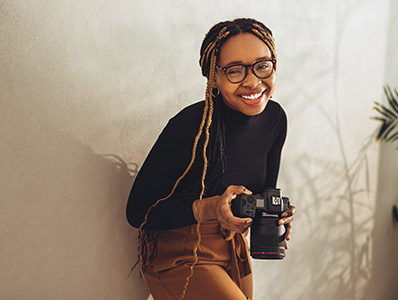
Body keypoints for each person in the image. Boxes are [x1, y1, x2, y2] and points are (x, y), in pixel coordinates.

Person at [126, 18, 296, 300]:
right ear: (213, 76)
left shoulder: (275, 119)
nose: (253, 81)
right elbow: (138, 212)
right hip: (181, 256)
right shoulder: (189, 126)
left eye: (263, 65)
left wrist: (275, 212)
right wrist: (212, 207)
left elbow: (266, 188)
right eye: (235, 71)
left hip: (233, 251)